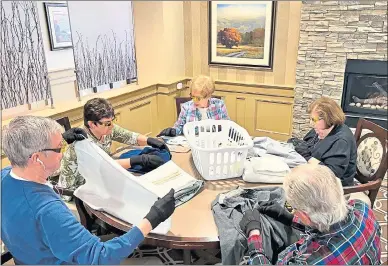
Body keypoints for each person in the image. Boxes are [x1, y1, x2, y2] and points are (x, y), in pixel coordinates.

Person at [1, 116, 175, 264]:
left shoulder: (5, 175)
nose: (62, 153)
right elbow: (101, 257)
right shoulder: (48, 210)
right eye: (58, 148)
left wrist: (62, 140)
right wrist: (152, 218)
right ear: (36, 158)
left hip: (29, 256)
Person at [239, 164, 381, 265]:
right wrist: (288, 217)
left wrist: (254, 235)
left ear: (305, 216)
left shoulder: (310, 260)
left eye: (293, 208)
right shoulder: (363, 208)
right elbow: (326, 223)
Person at [59, 98, 168, 192]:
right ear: (92, 124)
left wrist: (151, 141)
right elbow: (103, 165)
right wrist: (138, 160)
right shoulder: (81, 141)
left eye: (112, 120)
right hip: (78, 191)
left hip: (100, 180)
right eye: (107, 123)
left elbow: (129, 136)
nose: (112, 126)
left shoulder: (106, 129)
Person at [293, 96, 357, 186]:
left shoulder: (341, 141)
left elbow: (330, 174)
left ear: (328, 118)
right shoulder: (323, 128)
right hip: (316, 178)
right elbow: (307, 144)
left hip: (334, 189)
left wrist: (307, 157)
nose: (311, 123)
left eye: (314, 120)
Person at [157, 75, 230, 137]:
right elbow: (179, 127)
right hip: (193, 145)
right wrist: (173, 131)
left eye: (198, 98)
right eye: (192, 96)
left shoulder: (219, 105)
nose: (194, 100)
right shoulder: (186, 107)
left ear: (208, 96)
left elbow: (227, 126)